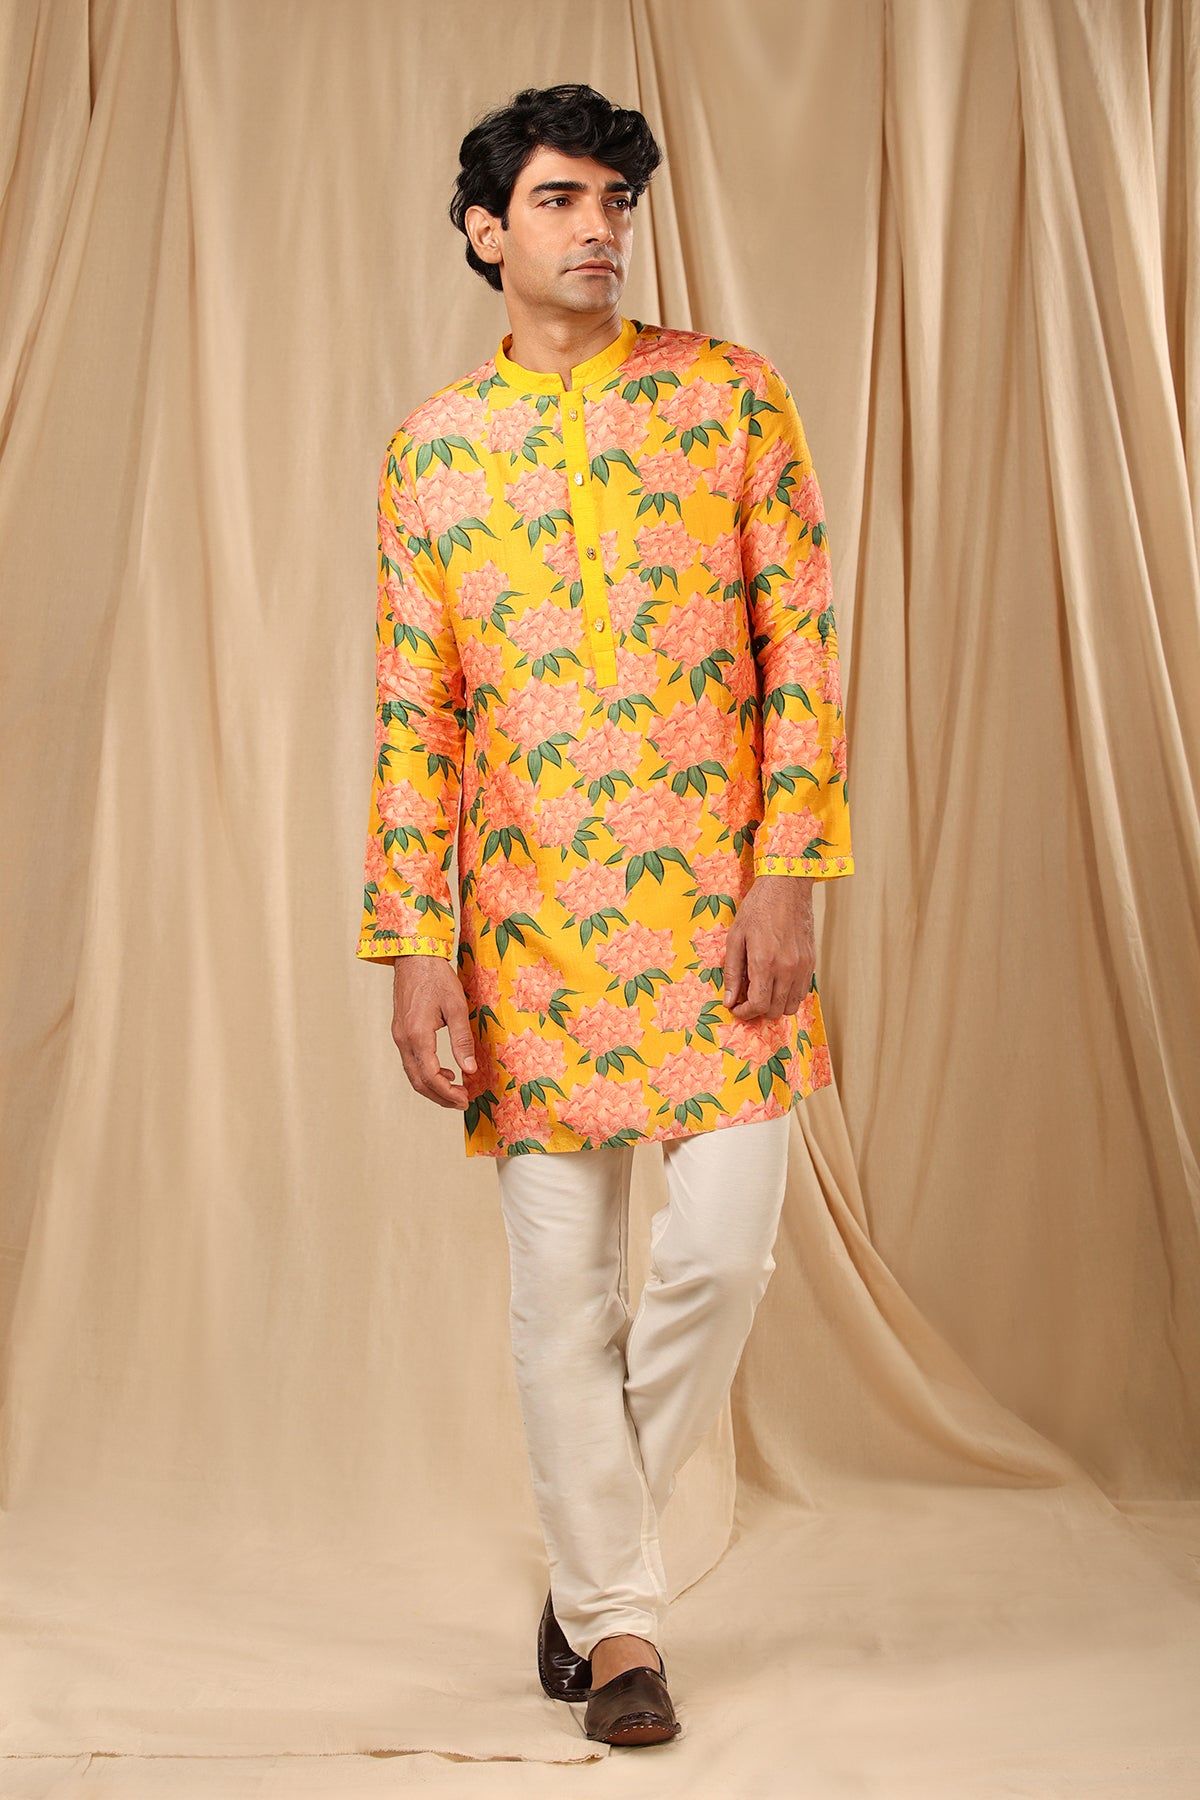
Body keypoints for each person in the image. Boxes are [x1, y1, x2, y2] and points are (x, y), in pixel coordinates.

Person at [355, 82, 854, 1747]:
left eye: (615, 202)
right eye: (561, 201)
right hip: (527, 936)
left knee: (724, 1251)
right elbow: (416, 718)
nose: (599, 230)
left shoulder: (729, 397)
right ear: (486, 230)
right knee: (558, 1297)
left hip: (722, 917)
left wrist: (788, 875)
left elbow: (801, 654)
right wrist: (415, 947)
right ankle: (624, 1633)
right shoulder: (433, 451)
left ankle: (585, 1564)